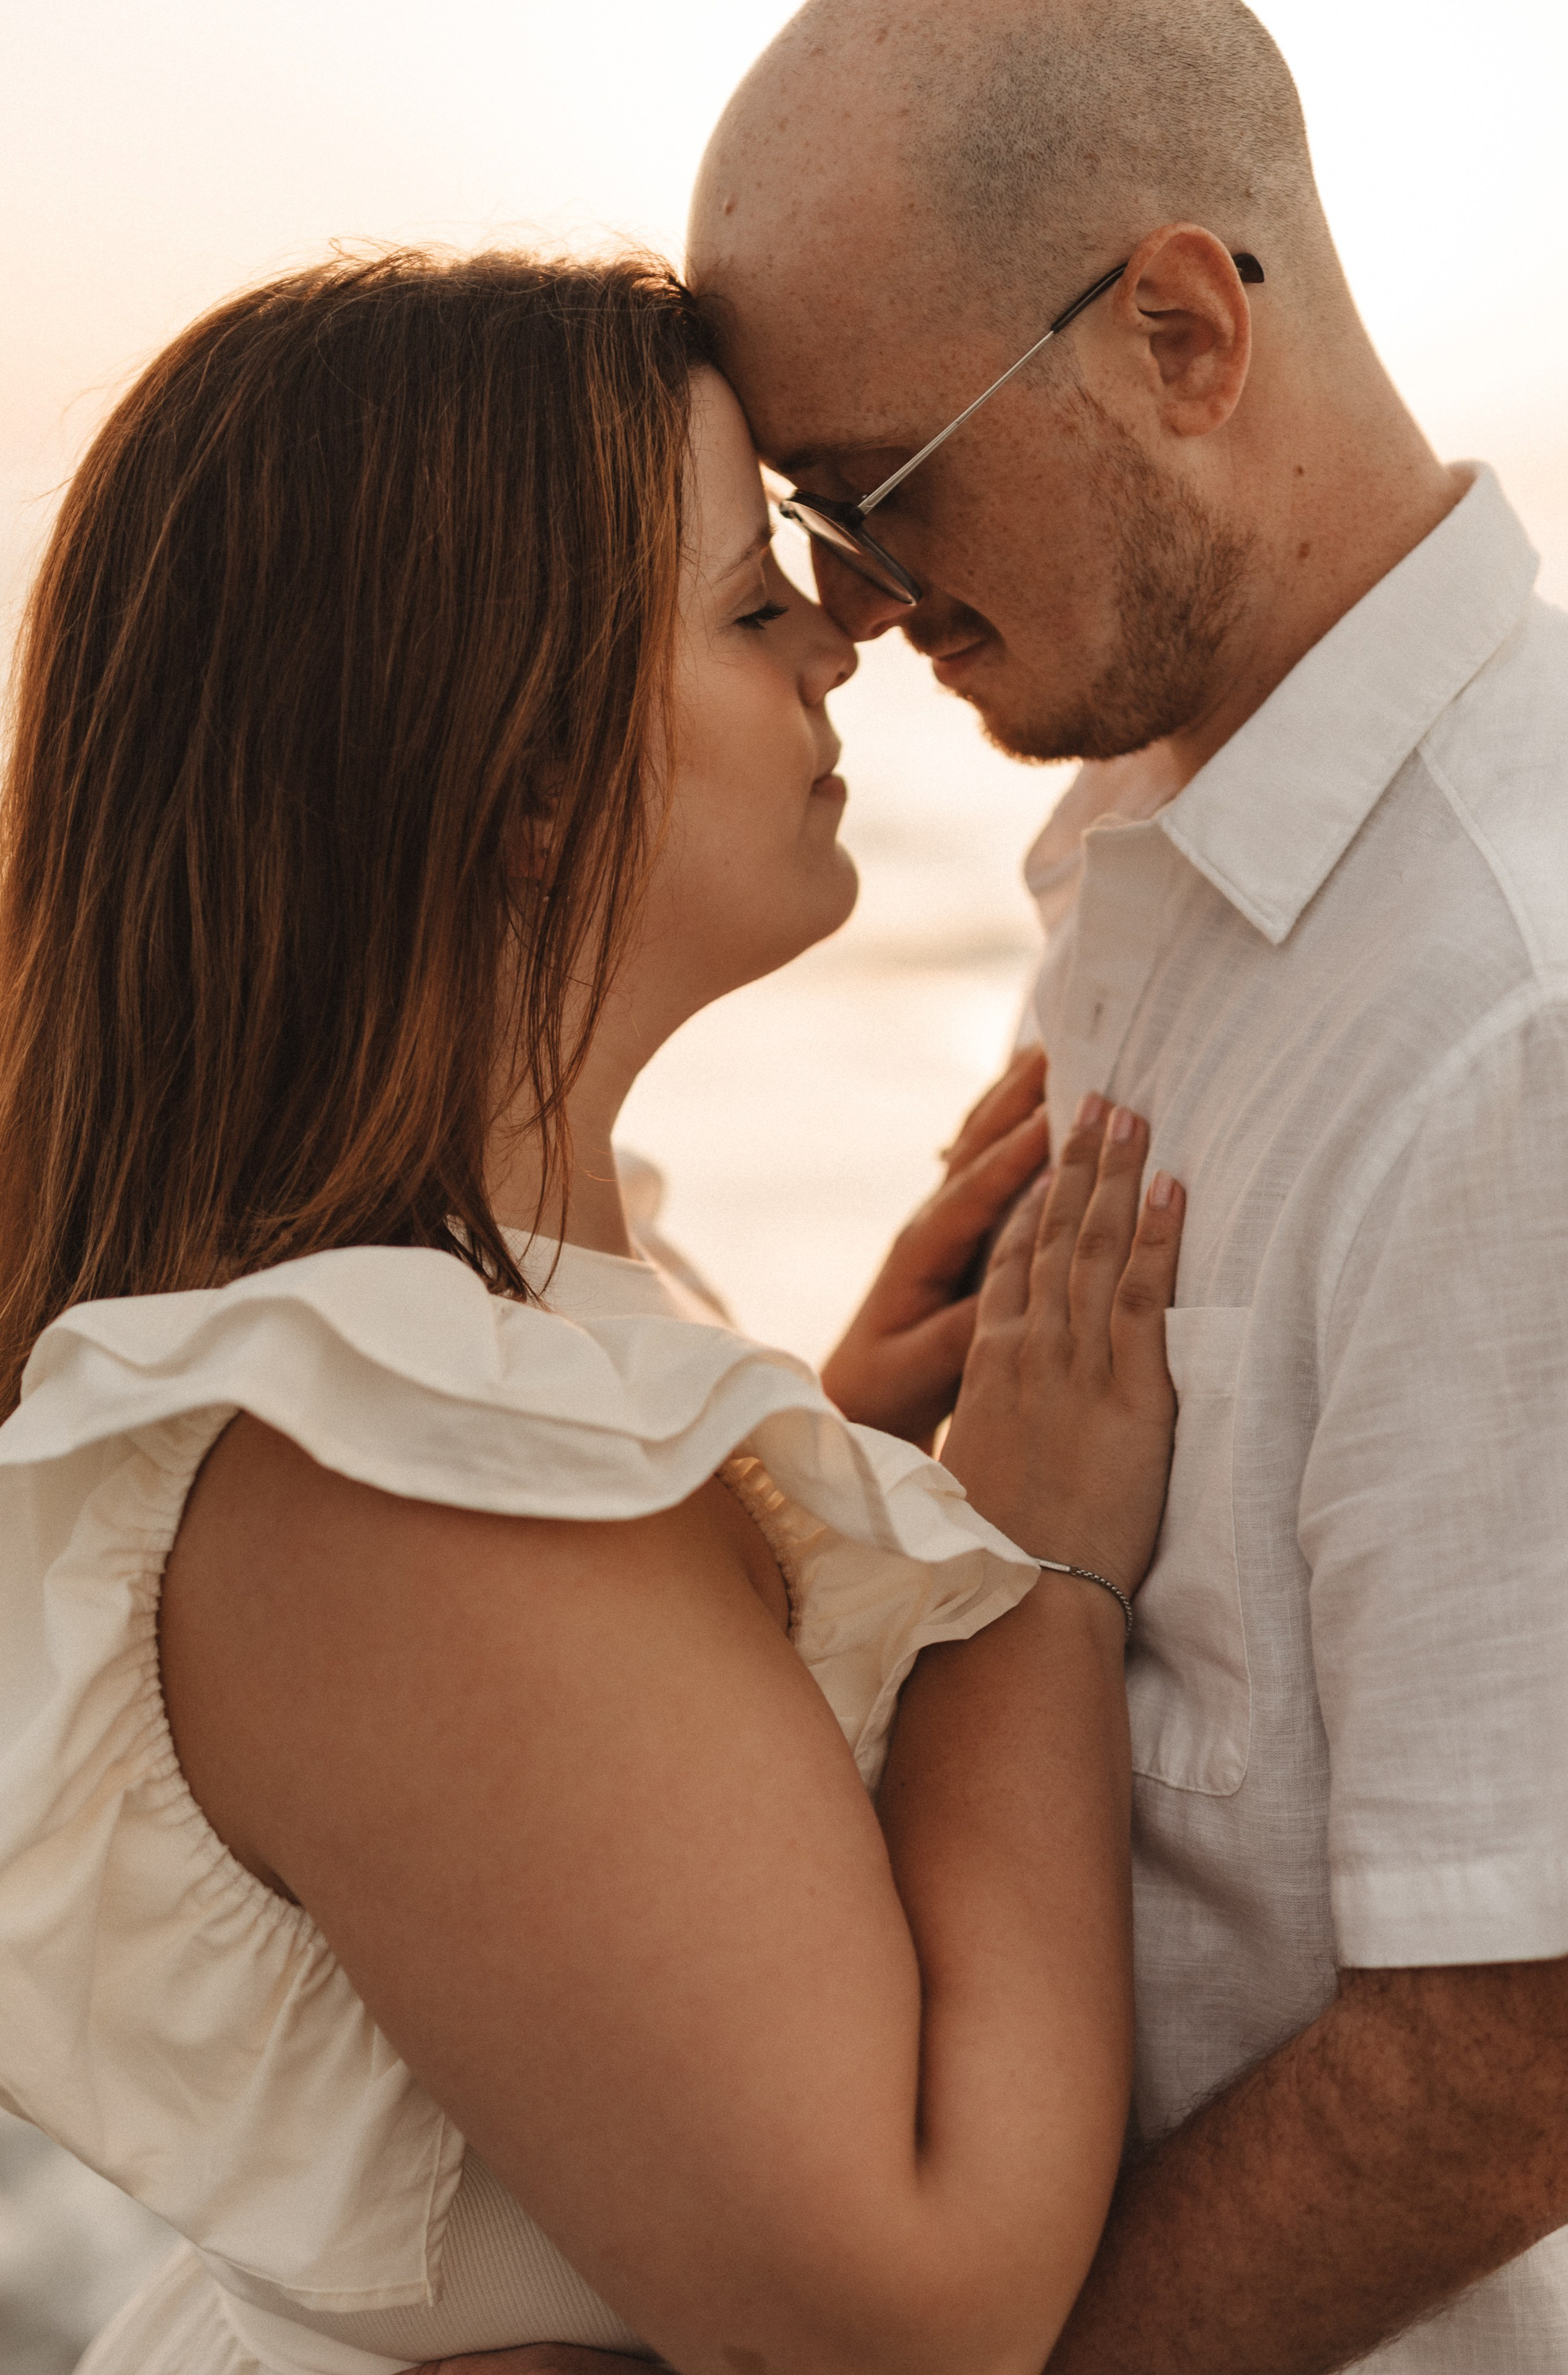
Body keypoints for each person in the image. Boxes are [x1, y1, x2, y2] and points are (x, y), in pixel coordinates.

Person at [0, 248, 1188, 2375]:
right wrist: (1038, 1575)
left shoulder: (458, 1383)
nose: (856, 633)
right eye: (756, 603)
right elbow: (911, 2315)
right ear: (526, 783)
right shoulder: (400, 1478)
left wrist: (823, 1465)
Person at [673, 1, 1568, 2369]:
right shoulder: (1148, 855)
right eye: (804, 524)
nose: (854, 603)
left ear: (1180, 332)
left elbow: (1517, 2056)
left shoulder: (1524, 1008)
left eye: (888, 484)